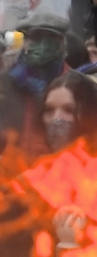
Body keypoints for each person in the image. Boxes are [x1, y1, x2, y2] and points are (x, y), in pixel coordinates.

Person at [0, 13, 70, 158]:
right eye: (36, 37)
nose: (43, 45)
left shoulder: (75, 84)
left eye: (51, 38)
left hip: (56, 171)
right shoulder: (4, 83)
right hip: (8, 171)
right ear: (25, 42)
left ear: (62, 44)